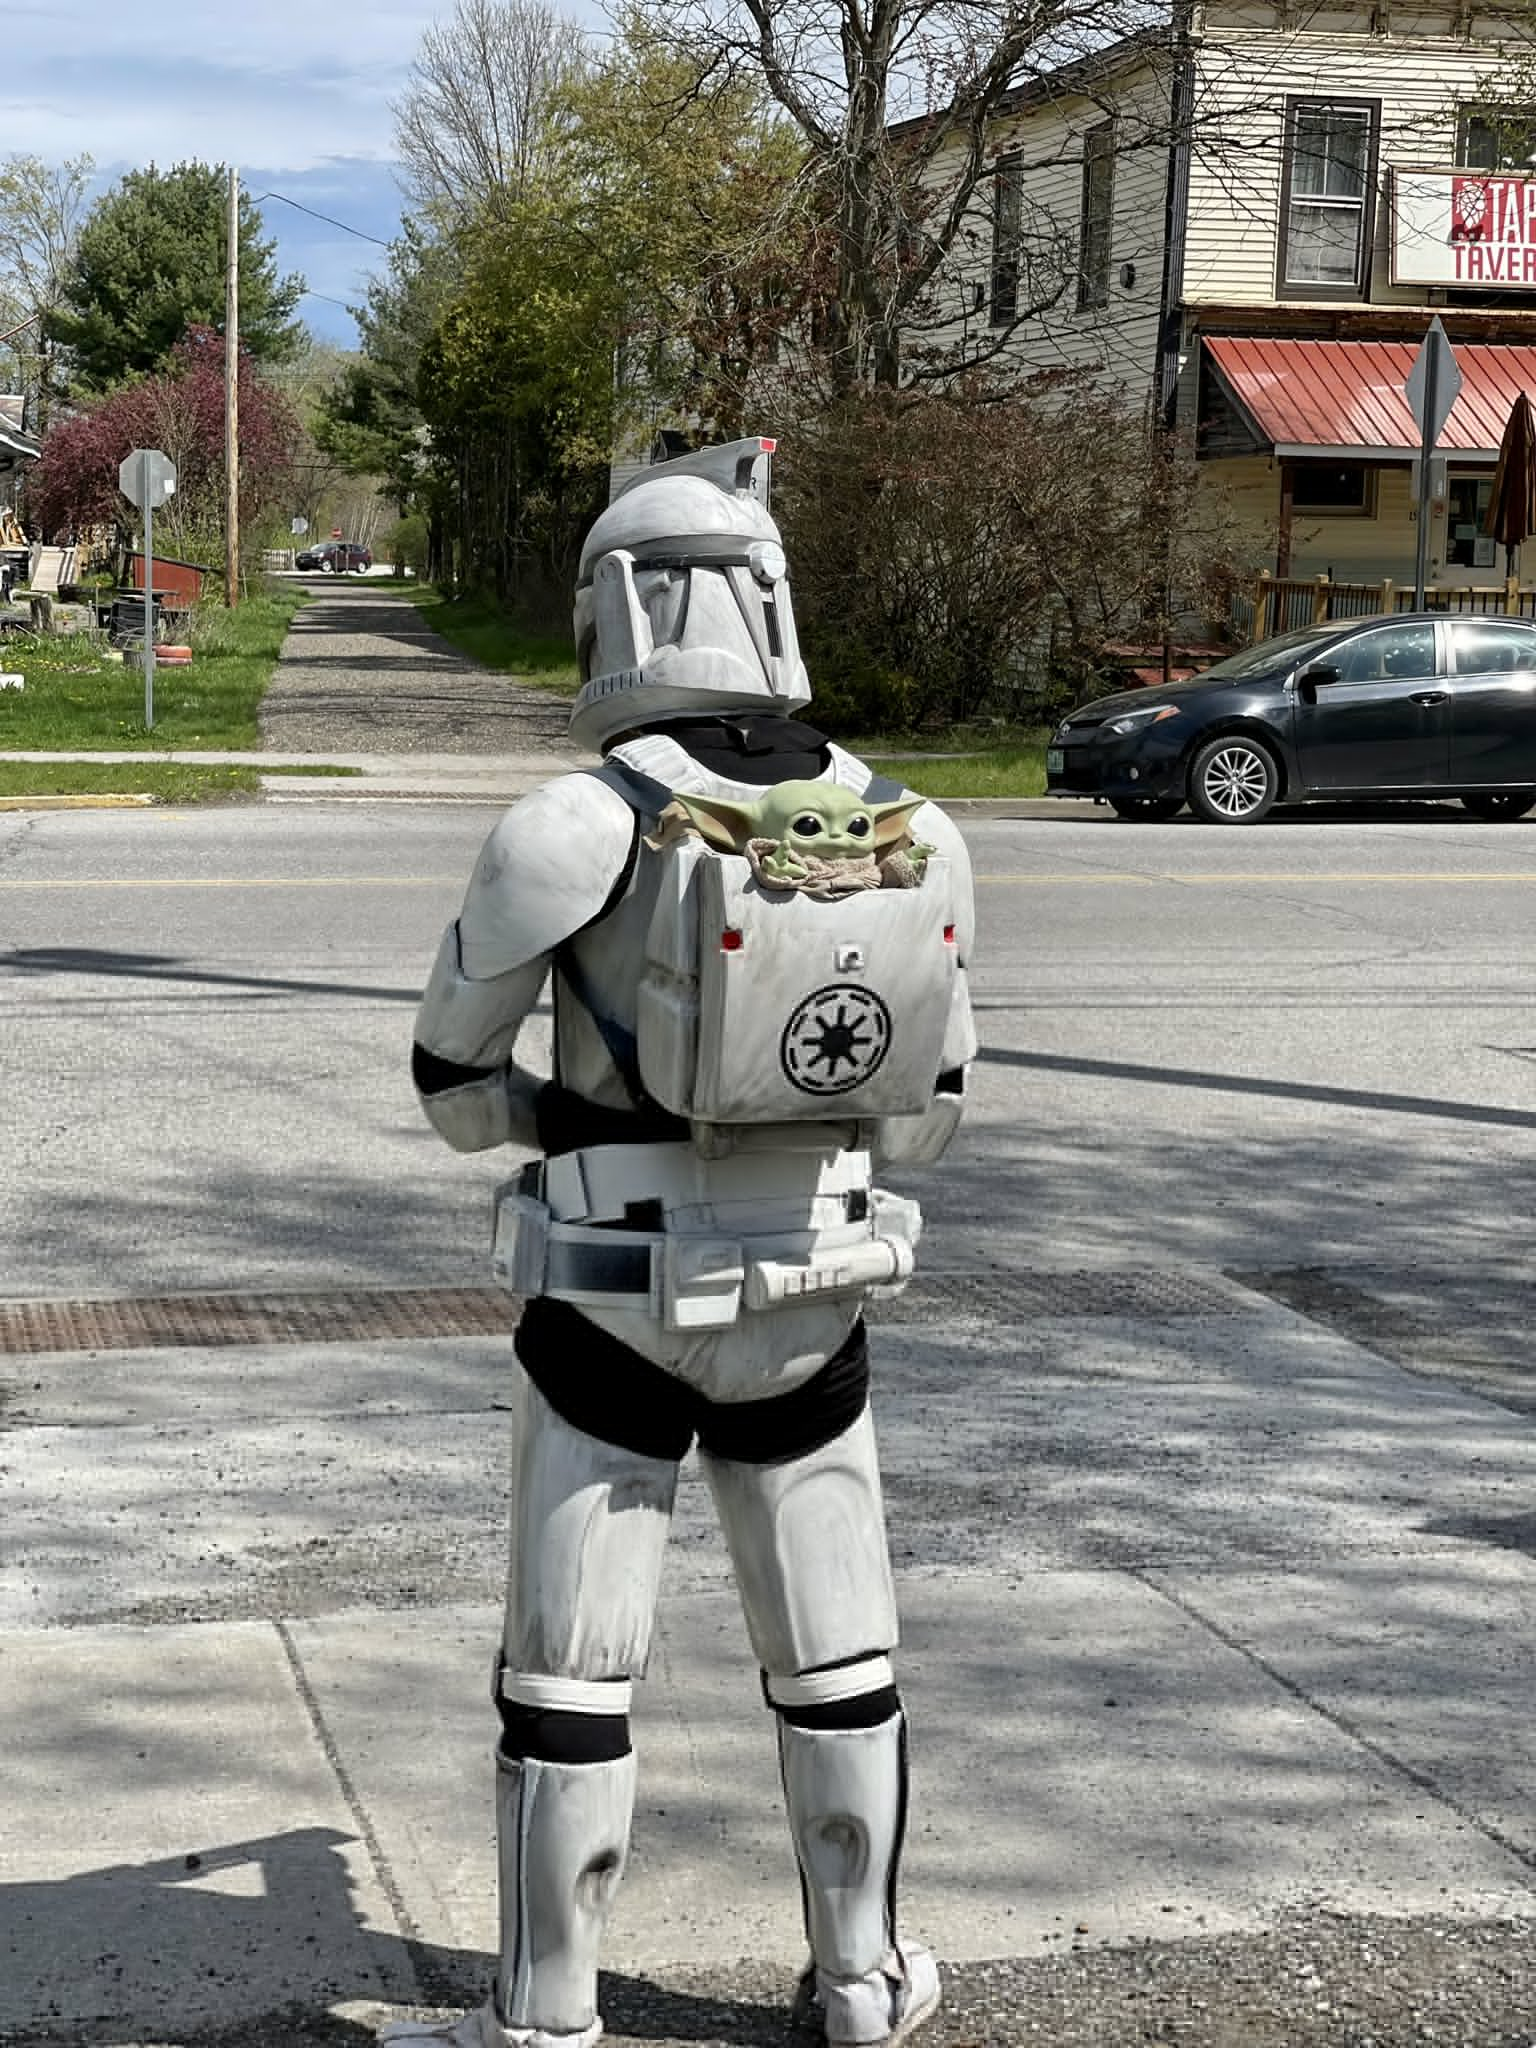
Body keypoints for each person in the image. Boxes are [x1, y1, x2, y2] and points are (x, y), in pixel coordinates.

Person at [387, 438, 977, 2048]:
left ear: (610, 615)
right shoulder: (910, 824)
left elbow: (449, 1085)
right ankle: (863, 1983)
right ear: (774, 606)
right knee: (839, 1661)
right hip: (818, 1301)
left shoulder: (574, 823)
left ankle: (548, 2019)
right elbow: (931, 1109)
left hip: (608, 1302)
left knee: (572, 1683)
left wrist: (574, 1127)